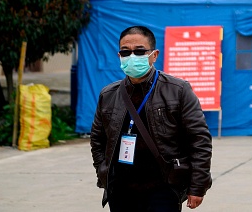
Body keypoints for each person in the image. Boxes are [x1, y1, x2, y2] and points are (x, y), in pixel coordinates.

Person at [91, 25, 212, 211]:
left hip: (163, 189)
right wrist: (103, 169)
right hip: (121, 190)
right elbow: (97, 139)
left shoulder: (178, 90)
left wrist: (198, 185)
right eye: (125, 52)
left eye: (139, 51)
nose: (132, 57)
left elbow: (199, 141)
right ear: (119, 56)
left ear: (154, 55)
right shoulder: (108, 95)